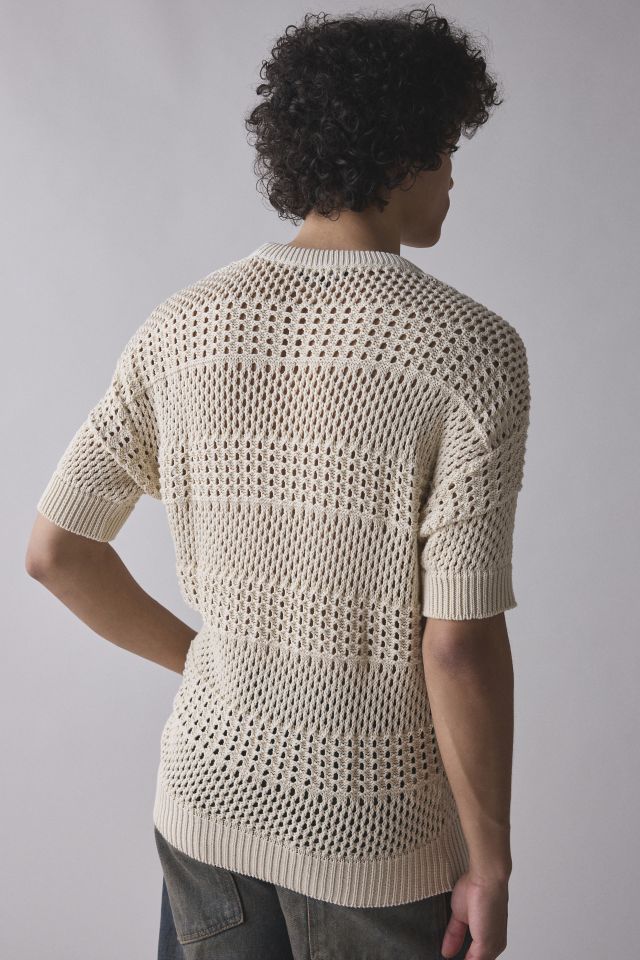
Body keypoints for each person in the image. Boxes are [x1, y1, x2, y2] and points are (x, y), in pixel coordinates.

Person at [25, 7, 531, 960]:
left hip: (206, 801)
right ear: (400, 153)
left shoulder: (182, 326)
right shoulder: (470, 352)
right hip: (375, 837)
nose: (454, 175)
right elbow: (458, 644)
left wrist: (205, 665)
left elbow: (57, 553)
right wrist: (492, 860)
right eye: (446, 148)